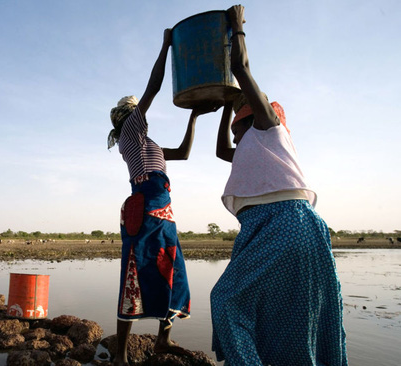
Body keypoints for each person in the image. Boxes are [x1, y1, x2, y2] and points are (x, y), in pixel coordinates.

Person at [211, 5, 348, 365]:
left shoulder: (269, 129)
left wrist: (236, 29)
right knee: (285, 319)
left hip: (286, 221)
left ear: (254, 116)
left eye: (239, 114)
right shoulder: (247, 148)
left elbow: (241, 69)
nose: (234, 127)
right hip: (276, 228)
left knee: (226, 301)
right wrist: (226, 102)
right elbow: (220, 149)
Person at [108, 28, 214, 365]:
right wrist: (167, 45)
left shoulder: (149, 145)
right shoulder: (130, 134)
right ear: (129, 118)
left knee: (173, 274)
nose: (144, 114)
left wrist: (194, 116)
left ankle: (162, 342)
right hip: (144, 211)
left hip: (164, 212)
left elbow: (182, 152)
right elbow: (153, 87)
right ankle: (121, 357)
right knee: (134, 278)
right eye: (138, 112)